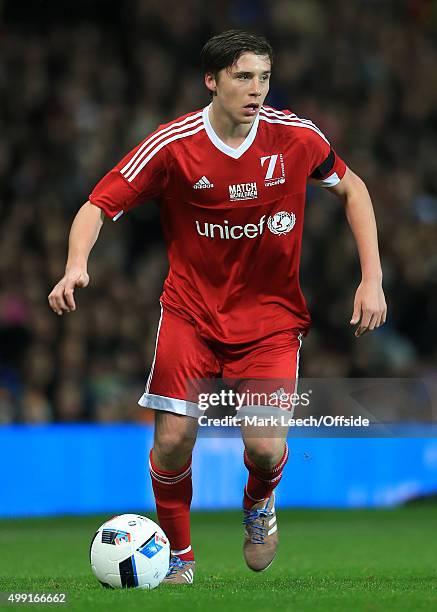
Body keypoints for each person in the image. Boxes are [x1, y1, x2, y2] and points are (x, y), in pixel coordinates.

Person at [48, 30, 387, 584]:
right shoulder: (173, 146)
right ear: (212, 80)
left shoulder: (295, 137)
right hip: (191, 314)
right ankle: (179, 557)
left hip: (272, 321)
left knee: (262, 446)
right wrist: (75, 264)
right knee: (174, 439)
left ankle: (258, 503)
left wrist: (371, 278)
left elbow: (355, 190)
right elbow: (96, 204)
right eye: (243, 77)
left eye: (265, 78)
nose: (257, 90)